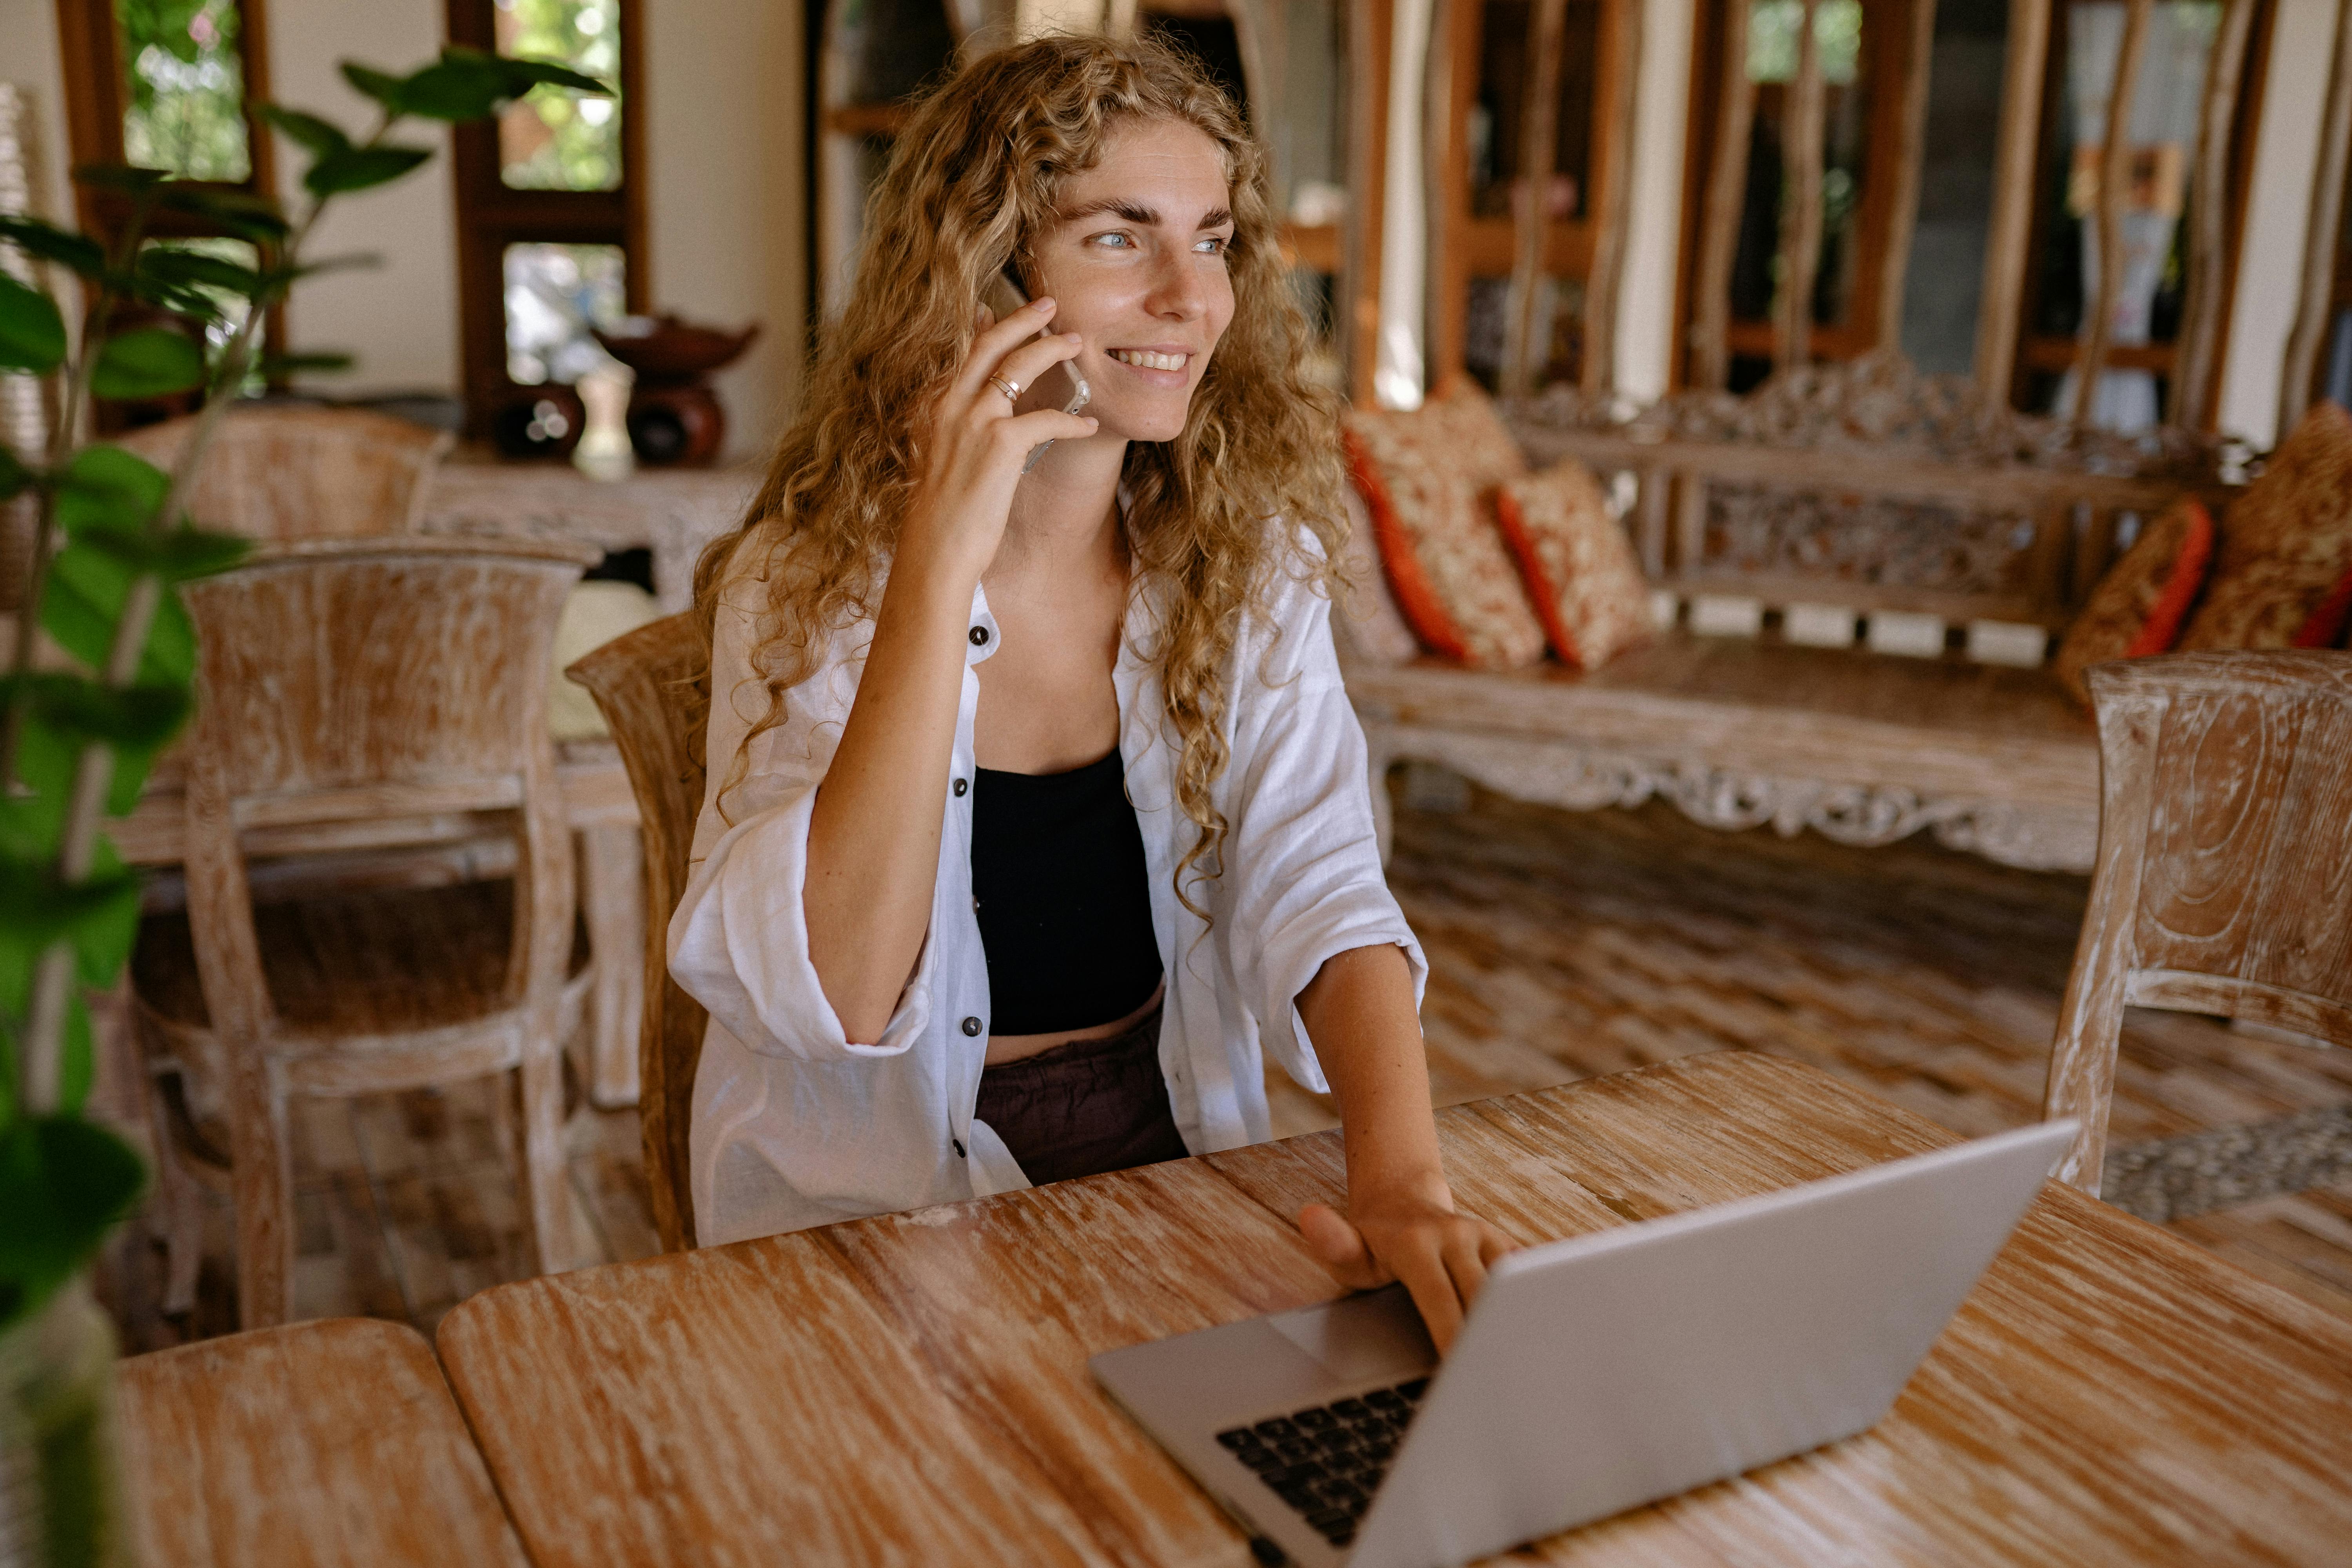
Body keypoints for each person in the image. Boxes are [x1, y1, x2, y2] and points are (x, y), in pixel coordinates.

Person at [669, 32, 1513, 1347]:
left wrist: (1400, 1180)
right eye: (1123, 239)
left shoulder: (1245, 562)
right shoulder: (809, 583)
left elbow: (1319, 872)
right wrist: (937, 569)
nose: (1194, 298)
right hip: (873, 1199)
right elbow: (836, 994)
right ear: (984, 272)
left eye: (1216, 238)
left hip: (1166, 1134)